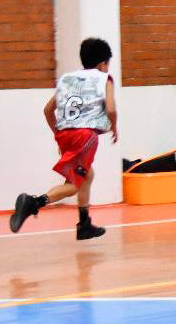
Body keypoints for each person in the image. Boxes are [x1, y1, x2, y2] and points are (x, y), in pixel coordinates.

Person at [10, 38, 117, 240]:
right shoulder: (105, 79)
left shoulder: (67, 79)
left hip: (64, 133)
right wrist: (115, 127)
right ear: (103, 64)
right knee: (74, 185)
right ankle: (33, 203)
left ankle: (84, 224)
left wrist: (58, 136)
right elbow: (111, 109)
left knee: (88, 175)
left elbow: (48, 110)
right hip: (84, 136)